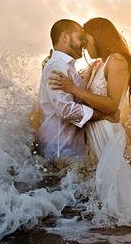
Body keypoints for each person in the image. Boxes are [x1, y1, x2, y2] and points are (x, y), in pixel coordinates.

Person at [48, 18, 131, 226]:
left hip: (108, 133)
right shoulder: (98, 64)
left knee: (121, 197)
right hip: (97, 134)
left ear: (97, 37)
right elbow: (78, 85)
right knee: (108, 190)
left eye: (86, 39)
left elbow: (111, 106)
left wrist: (73, 89)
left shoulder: (117, 60)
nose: (83, 45)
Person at [34, 19, 98, 162]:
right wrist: (100, 115)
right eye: (80, 38)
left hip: (66, 150)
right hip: (59, 151)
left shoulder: (65, 66)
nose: (84, 43)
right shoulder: (57, 66)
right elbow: (66, 110)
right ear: (64, 37)